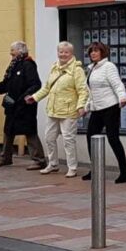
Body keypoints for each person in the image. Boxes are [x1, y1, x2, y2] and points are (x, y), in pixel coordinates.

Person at [26, 41, 88, 178]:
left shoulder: (77, 70)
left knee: (68, 140)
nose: (63, 54)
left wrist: (81, 106)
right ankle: (53, 164)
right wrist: (35, 97)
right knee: (49, 138)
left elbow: (83, 90)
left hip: (69, 111)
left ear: (71, 53)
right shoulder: (55, 67)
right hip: (53, 110)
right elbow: (47, 87)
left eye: (66, 52)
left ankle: (72, 167)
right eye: (61, 52)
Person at [0, 41, 45, 169]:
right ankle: (5, 157)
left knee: (30, 131)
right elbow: (5, 84)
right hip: (12, 104)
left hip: (25, 105)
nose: (11, 53)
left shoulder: (28, 64)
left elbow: (36, 84)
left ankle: (39, 160)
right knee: (8, 130)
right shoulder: (14, 65)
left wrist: (23, 98)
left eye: (13, 50)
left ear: (20, 51)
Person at [82, 41, 126, 184]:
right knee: (90, 136)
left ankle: (124, 171)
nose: (93, 53)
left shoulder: (109, 66)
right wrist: (86, 107)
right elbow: (91, 91)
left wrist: (122, 97)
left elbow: (117, 84)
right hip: (97, 108)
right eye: (91, 51)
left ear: (103, 52)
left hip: (110, 107)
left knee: (113, 138)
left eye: (96, 51)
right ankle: (95, 169)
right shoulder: (91, 68)